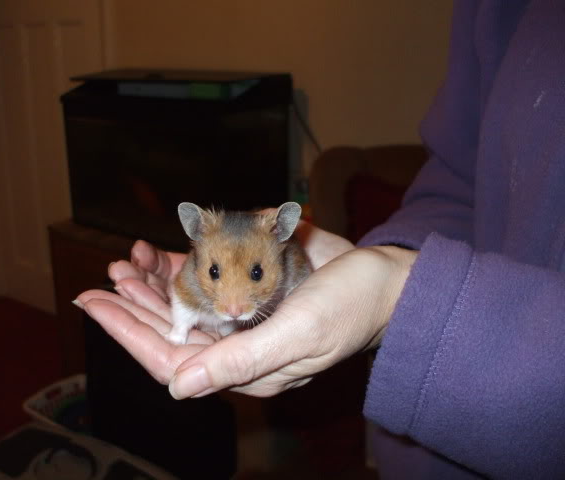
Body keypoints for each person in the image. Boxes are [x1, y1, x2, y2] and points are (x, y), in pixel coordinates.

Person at [75, 0, 565, 477]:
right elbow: (459, 178)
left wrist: (397, 298)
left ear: (284, 240)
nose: (232, 303)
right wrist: (399, 255)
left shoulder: (289, 259)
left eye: (257, 274)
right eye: (217, 273)